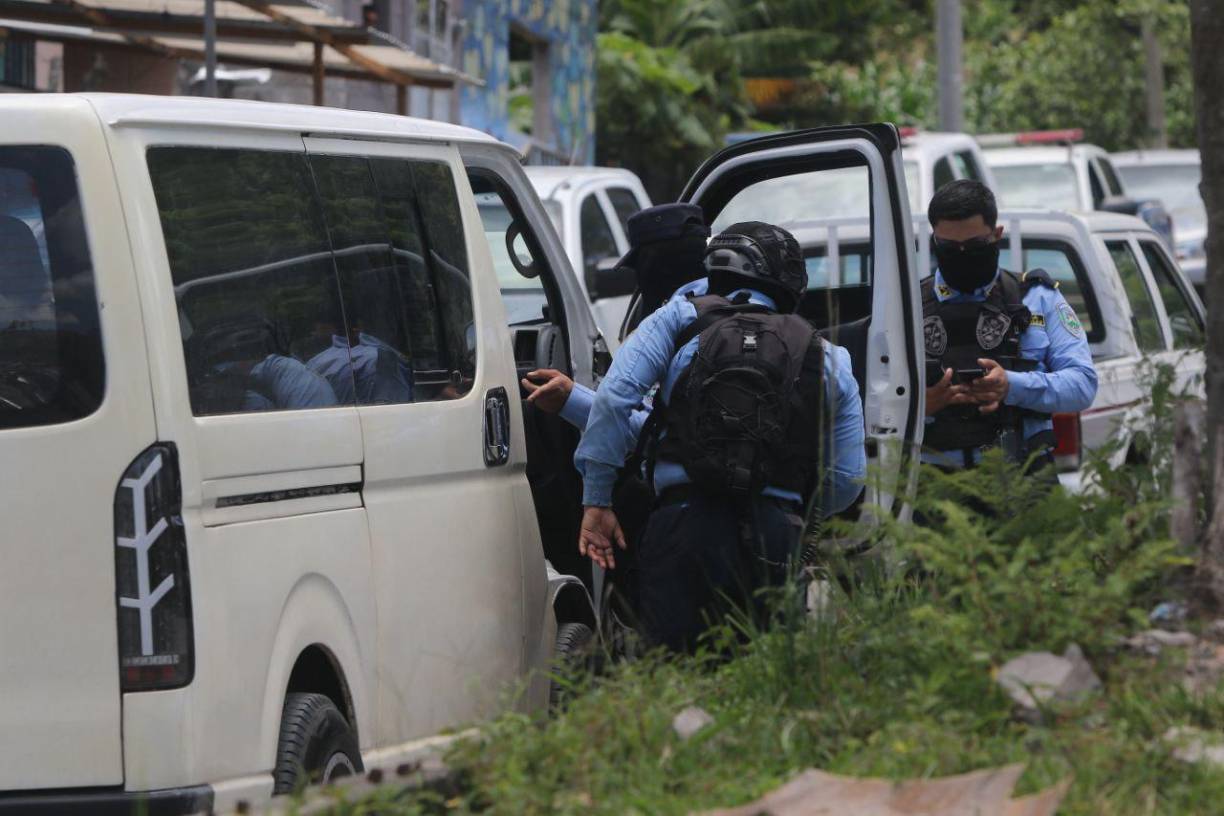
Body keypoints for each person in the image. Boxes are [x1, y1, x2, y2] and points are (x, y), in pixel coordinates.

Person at [570, 221, 866, 653]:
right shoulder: (828, 355)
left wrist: (597, 499)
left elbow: (614, 401)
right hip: (775, 533)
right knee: (761, 675)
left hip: (682, 525)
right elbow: (847, 478)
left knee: (675, 670)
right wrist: (797, 512)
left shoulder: (678, 318)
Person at [922, 179, 1097, 471]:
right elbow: (866, 401)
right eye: (950, 247)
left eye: (975, 245)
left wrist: (1010, 386)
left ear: (997, 236)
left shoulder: (1038, 297)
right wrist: (920, 405)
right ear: (935, 241)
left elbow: (1082, 385)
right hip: (933, 485)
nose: (963, 255)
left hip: (1023, 477)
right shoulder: (908, 307)